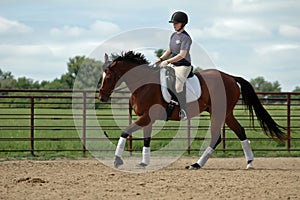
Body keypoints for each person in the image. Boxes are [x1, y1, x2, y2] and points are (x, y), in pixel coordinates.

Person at [156, 11, 192, 120]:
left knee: (178, 86)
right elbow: (169, 50)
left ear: (183, 23)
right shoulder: (173, 35)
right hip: (172, 64)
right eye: (173, 23)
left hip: (183, 66)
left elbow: (182, 55)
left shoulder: (186, 38)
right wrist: (161, 59)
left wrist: (167, 62)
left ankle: (183, 110)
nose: (174, 25)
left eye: (176, 23)